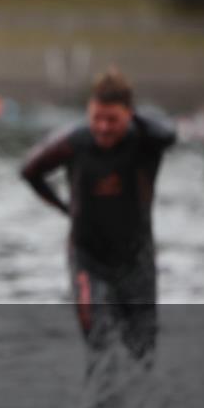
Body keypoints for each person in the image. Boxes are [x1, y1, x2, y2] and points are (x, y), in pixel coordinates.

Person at [20, 68, 176, 374]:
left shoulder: (146, 141)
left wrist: (135, 119)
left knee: (142, 356)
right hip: (88, 260)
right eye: (96, 118)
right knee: (101, 349)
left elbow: (169, 134)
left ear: (129, 115)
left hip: (136, 263)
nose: (103, 128)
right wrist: (64, 208)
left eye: (112, 120)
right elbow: (30, 171)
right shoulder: (75, 141)